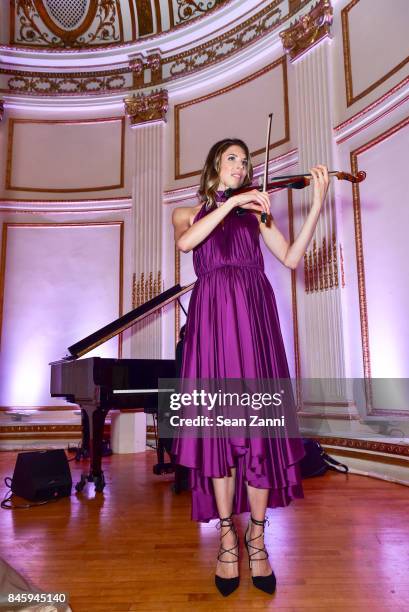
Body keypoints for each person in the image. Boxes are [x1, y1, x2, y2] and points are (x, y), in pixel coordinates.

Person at [171, 138, 329, 596]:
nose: (242, 166)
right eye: (233, 159)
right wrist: (232, 203)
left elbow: (292, 257)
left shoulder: (257, 213)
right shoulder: (189, 211)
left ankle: (256, 538)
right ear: (215, 164)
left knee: (258, 430)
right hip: (213, 325)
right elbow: (186, 242)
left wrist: (315, 204)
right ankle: (226, 537)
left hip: (254, 321)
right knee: (219, 432)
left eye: (245, 160)